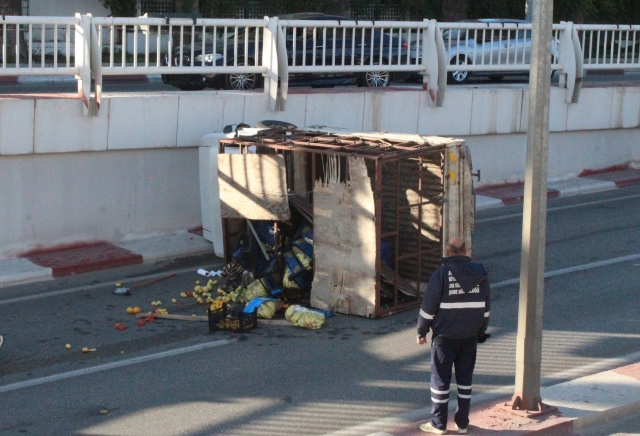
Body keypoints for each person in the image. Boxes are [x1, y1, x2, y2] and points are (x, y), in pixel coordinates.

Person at [416, 237, 491, 434]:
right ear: (466, 251)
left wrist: (421, 331)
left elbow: (428, 307)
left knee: (441, 381)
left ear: (447, 252)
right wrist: (480, 331)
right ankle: (463, 423)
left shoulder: (441, 274)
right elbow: (485, 308)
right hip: (469, 338)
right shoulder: (481, 275)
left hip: (444, 338)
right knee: (465, 381)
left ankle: (438, 424)